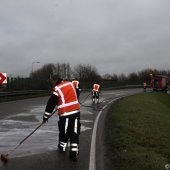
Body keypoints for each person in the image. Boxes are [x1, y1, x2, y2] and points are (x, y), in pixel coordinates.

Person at [43, 75, 81, 161]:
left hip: (65, 114)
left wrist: (46, 116)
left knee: (64, 131)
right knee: (74, 132)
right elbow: (77, 93)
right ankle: (74, 152)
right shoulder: (70, 84)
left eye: (53, 81)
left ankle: (62, 147)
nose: (52, 83)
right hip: (76, 112)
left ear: (55, 80)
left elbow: (51, 104)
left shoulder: (57, 89)